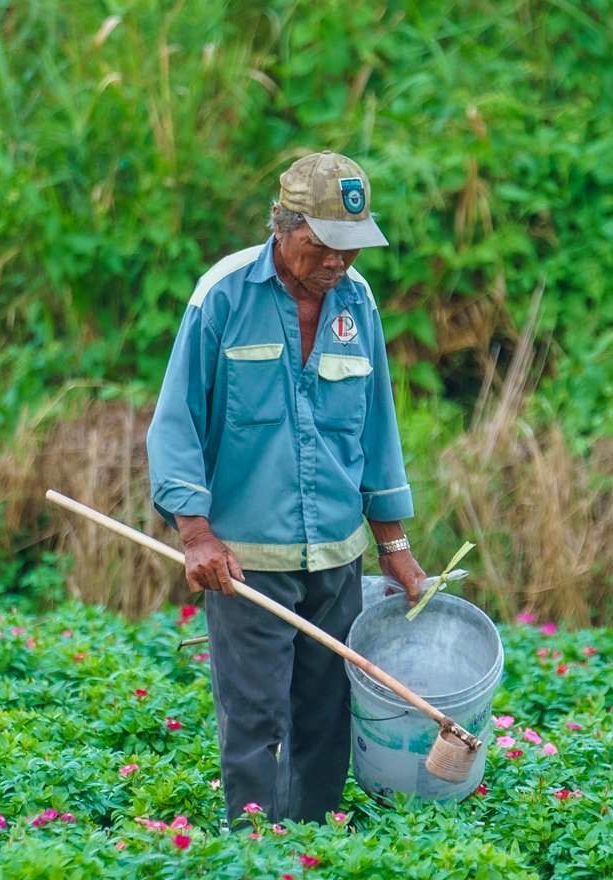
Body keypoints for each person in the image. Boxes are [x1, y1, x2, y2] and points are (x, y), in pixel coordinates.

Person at [148, 151, 427, 826]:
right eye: (325, 244)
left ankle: (312, 849)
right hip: (248, 562)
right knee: (254, 717)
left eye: (352, 248)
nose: (339, 262)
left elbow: (377, 426)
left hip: (336, 556)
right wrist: (195, 532)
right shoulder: (223, 296)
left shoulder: (357, 305)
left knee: (327, 712)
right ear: (284, 226)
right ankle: (249, 858)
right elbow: (176, 420)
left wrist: (393, 542)